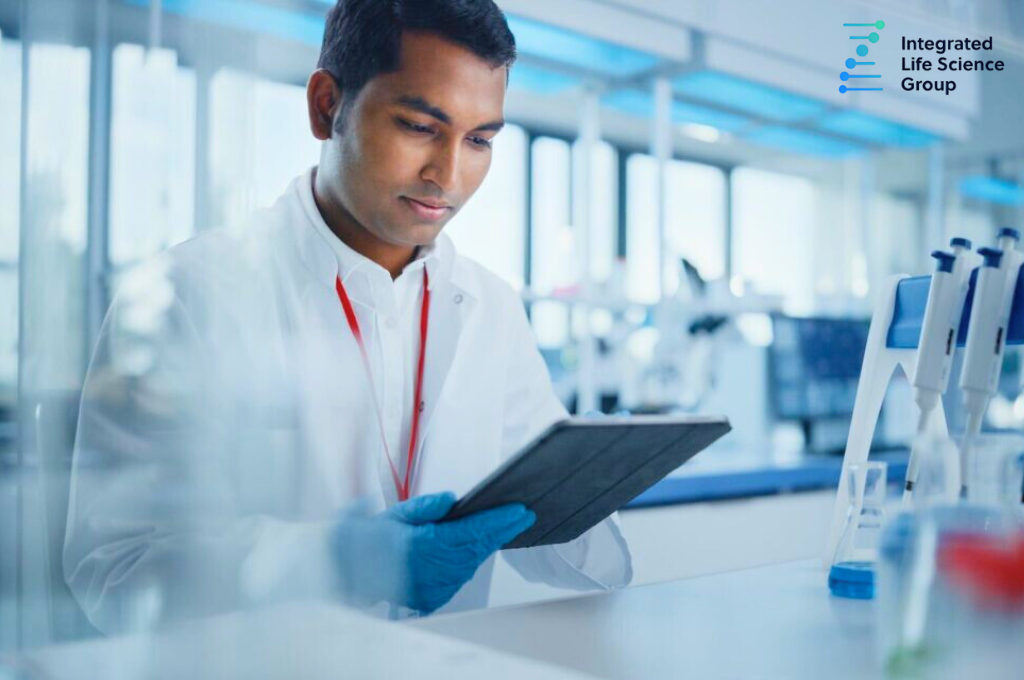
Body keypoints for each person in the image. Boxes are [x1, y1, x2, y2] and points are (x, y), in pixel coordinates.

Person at [64, 0, 632, 634]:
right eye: (419, 126)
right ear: (326, 104)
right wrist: (334, 563)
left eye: (479, 140)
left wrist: (602, 481)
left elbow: (560, 539)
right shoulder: (188, 294)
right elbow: (115, 566)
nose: (448, 174)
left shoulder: (490, 308)